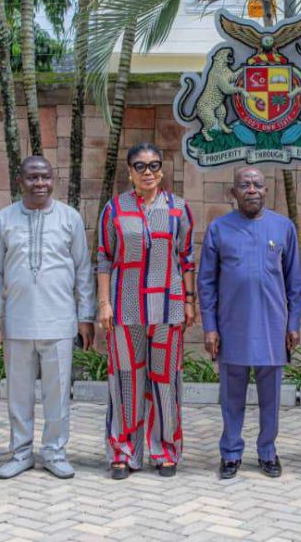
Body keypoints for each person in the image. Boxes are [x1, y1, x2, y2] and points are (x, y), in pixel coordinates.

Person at [0, 156, 96, 480]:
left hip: (59, 321)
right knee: (18, 394)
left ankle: (54, 452)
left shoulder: (69, 218)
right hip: (17, 322)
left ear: (53, 180)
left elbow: (83, 270)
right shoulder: (4, 220)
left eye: (45, 177)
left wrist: (86, 316)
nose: (40, 183)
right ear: (20, 181)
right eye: (32, 177)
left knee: (57, 395)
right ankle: (20, 453)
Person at [97, 141, 196, 479]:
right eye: (140, 166)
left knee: (165, 380)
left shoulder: (178, 209)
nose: (148, 172)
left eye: (154, 165)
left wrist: (189, 301)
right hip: (125, 309)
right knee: (127, 378)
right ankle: (123, 451)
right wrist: (104, 303)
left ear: (162, 171)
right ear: (129, 172)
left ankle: (165, 450)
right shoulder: (115, 209)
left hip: (168, 307)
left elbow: (186, 258)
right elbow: (104, 258)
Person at [198, 167, 301, 479]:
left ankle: (267, 452)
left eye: (257, 184)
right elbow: (206, 283)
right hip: (232, 326)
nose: (252, 189)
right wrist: (210, 326)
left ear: (266, 190)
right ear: (233, 193)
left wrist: (293, 323)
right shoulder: (219, 229)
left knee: (270, 397)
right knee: (231, 396)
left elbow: (295, 282)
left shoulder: (282, 227)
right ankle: (231, 453)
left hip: (272, 327)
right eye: (244, 185)